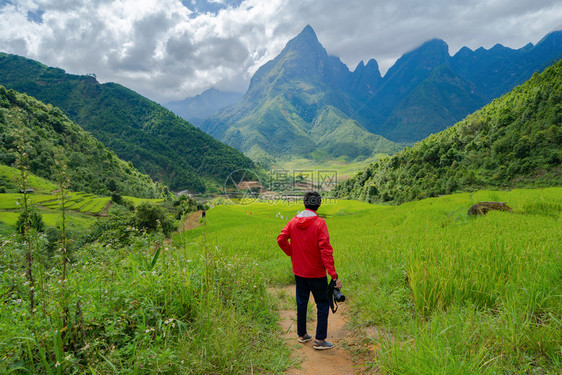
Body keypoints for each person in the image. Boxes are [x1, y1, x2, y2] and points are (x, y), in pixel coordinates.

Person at [277, 191, 343, 350]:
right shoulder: (320, 223)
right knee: (322, 303)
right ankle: (320, 340)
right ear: (318, 204)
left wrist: (291, 252)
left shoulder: (293, 221)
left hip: (299, 272)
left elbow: (281, 239)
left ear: (304, 203)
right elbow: (326, 251)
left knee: (301, 302)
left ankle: (302, 335)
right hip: (316, 273)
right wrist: (334, 276)